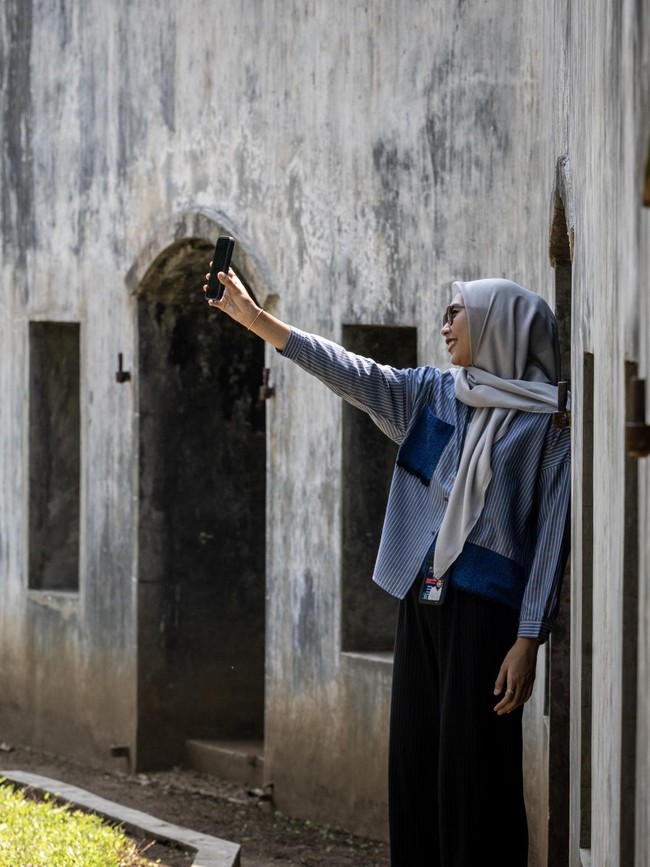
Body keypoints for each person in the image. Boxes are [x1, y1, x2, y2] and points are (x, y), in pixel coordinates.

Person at [203, 265, 571, 867]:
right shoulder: (433, 393)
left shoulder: (545, 423)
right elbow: (349, 371)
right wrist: (255, 320)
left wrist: (529, 638)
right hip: (419, 600)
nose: (444, 325)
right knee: (415, 761)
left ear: (498, 325)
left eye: (457, 312)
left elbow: (551, 536)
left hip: (486, 619)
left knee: (476, 767)